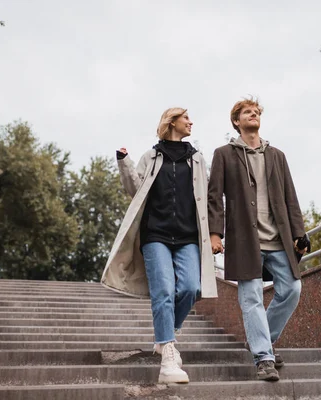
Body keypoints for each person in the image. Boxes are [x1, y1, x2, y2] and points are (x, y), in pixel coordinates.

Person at [102, 107, 218, 384]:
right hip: (156, 235)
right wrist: (123, 162)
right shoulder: (151, 156)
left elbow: (208, 196)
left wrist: (215, 233)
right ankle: (167, 355)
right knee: (164, 291)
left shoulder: (197, 159)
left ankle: (167, 335)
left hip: (188, 235)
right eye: (186, 118)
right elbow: (135, 189)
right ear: (172, 122)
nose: (191, 122)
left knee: (191, 287)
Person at [207, 97, 310, 381]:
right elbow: (214, 197)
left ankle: (260, 340)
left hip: (279, 240)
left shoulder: (277, 155)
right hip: (244, 241)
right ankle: (264, 356)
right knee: (251, 297)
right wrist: (215, 234)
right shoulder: (224, 154)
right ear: (236, 121)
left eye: (256, 112)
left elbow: (291, 196)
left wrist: (300, 233)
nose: (253, 114)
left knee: (292, 290)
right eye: (247, 112)